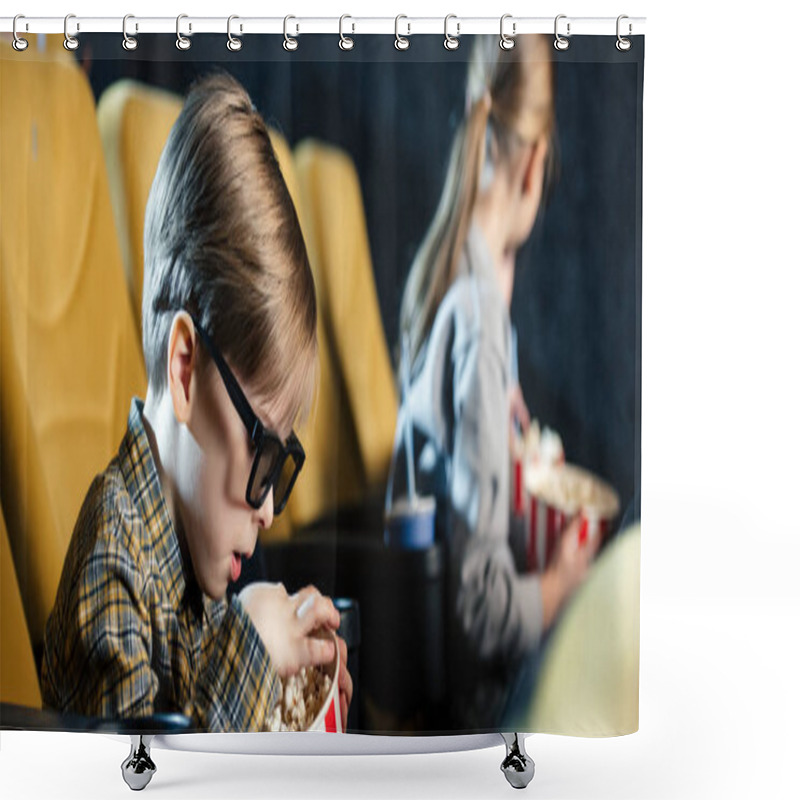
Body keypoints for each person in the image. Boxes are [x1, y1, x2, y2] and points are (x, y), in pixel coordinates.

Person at [41, 72, 352, 732]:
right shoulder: (113, 560)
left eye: (282, 461)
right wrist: (250, 651)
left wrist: (291, 683)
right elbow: (143, 775)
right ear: (185, 370)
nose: (268, 507)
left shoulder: (198, 537)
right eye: (264, 452)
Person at [388, 36, 597, 730]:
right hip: (476, 709)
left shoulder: (452, 278)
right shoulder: (477, 316)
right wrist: (563, 582)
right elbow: (478, 612)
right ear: (535, 164)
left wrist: (521, 463)